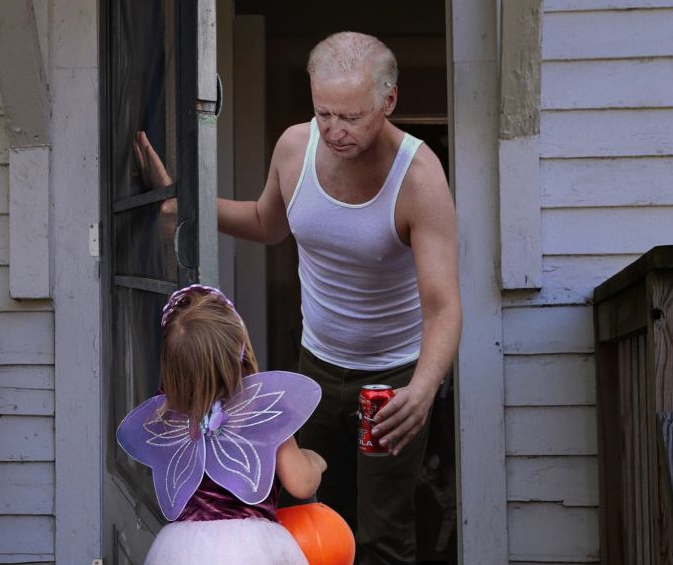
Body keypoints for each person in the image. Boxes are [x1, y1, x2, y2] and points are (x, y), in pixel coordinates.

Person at [134, 31, 462, 564]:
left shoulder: (419, 178)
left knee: (382, 531)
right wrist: (181, 205)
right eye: (323, 112)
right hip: (315, 367)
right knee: (305, 513)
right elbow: (267, 222)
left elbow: (444, 304)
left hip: (393, 380)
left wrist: (423, 391)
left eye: (351, 117)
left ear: (389, 100)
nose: (334, 130)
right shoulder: (294, 146)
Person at [116, 284, 329, 565]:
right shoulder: (261, 407)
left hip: (184, 552)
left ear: (171, 365)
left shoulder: (164, 416)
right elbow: (301, 484)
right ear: (240, 348)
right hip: (255, 550)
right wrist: (316, 461)